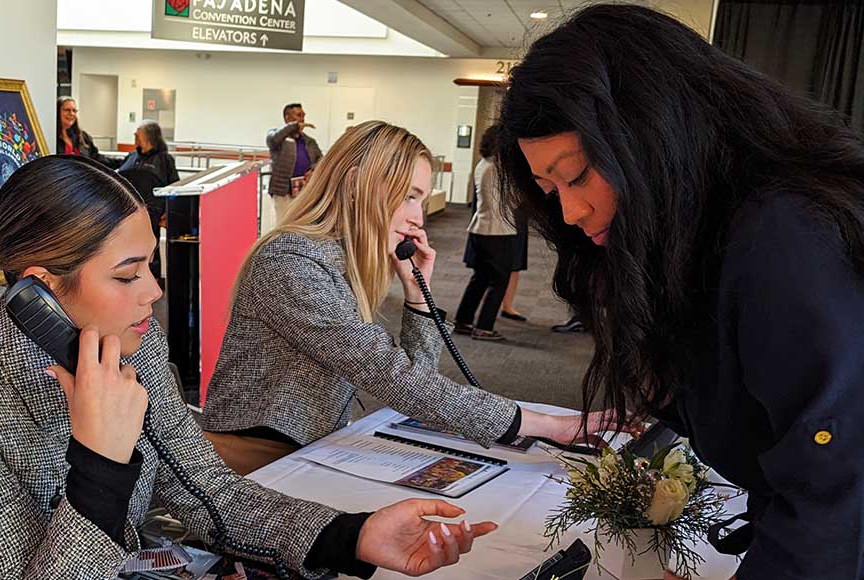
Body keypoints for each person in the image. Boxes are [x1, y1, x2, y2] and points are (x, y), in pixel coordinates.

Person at [0, 154, 495, 579]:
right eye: (127, 274)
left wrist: (353, 536)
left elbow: (211, 493)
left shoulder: (136, 347)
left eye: (150, 266)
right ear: (41, 291)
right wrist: (99, 463)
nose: (152, 292)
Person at [495, 5, 864, 579]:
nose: (571, 212)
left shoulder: (788, 235)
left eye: (576, 176)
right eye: (550, 190)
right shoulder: (704, 239)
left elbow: (839, 493)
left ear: (655, 134)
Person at [202, 121, 625, 476]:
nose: (417, 217)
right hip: (258, 460)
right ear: (355, 185)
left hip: (312, 450)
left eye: (419, 198)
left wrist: (417, 294)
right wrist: (546, 425)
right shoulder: (292, 263)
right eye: (408, 196)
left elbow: (413, 379)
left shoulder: (341, 261)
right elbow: (392, 377)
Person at [455, 125, 517, 341]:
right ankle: (484, 327)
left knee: (480, 278)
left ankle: (463, 320)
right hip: (496, 231)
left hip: (481, 229)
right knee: (499, 282)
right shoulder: (496, 169)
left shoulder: (483, 164)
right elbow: (507, 202)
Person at [118, 120, 179, 285]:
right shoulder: (133, 156)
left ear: (149, 136)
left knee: (150, 245)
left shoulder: (164, 160)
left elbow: (174, 185)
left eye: (138, 132)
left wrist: (169, 210)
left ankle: (151, 279)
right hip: (128, 209)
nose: (135, 136)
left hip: (152, 210)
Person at [266, 102, 323, 223]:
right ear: (287, 117)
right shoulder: (276, 137)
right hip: (283, 192)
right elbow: (275, 138)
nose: (302, 118)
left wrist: (313, 169)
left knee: (299, 223)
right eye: (298, 115)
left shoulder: (308, 141)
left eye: (303, 115)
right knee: (283, 223)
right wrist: (294, 126)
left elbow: (320, 159)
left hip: (302, 191)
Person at [56, 96, 107, 162]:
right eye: (67, 110)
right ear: (57, 112)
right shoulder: (52, 138)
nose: (71, 113)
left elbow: (97, 158)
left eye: (74, 110)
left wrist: (121, 163)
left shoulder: (83, 137)